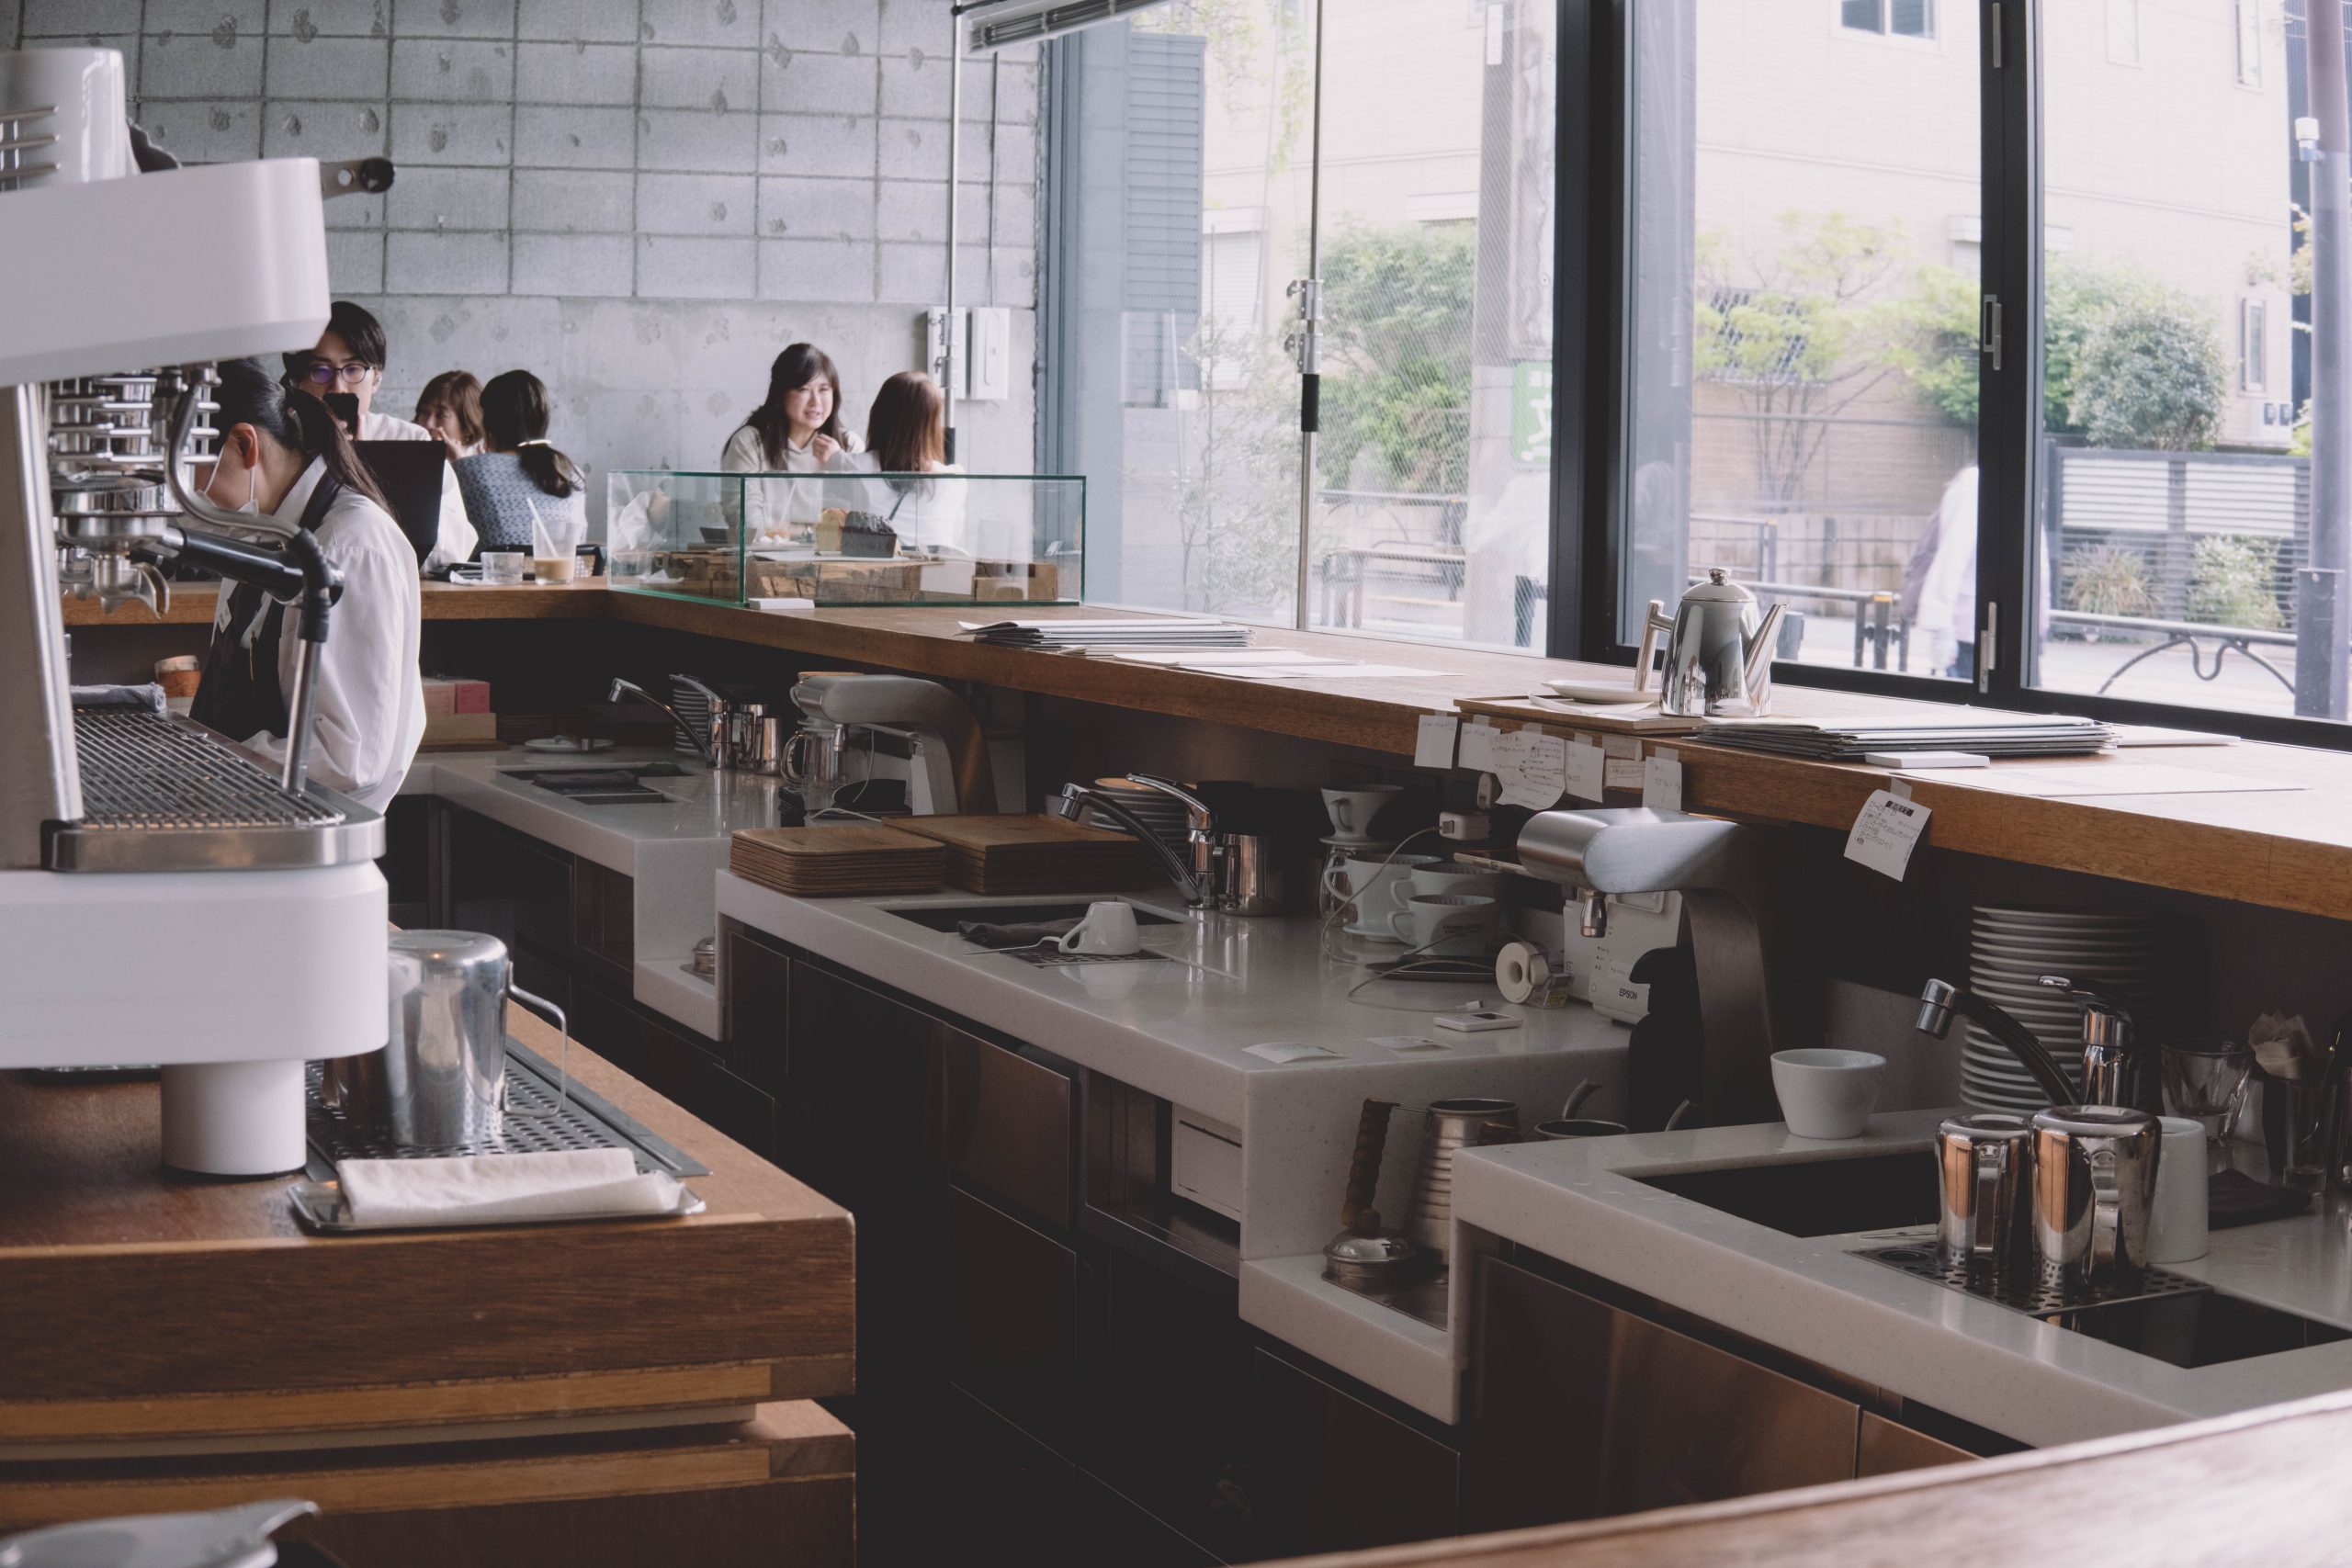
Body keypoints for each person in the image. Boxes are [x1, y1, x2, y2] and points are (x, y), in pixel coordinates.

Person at [187, 358, 424, 812]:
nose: (185, 495)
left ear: (243, 445)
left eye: (188, 474)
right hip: (243, 810)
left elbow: (347, 759)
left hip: (306, 823)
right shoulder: (264, 531)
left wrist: (200, 765)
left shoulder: (349, 544)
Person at [284, 299, 478, 570]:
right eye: (320, 370)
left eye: (353, 369)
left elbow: (455, 549)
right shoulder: (280, 441)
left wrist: (369, 468)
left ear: (376, 379)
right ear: (298, 381)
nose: (338, 387)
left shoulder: (410, 442)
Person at [720, 343, 860, 539]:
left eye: (824, 389)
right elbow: (751, 530)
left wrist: (784, 529)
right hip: (764, 565)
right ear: (780, 393)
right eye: (804, 389)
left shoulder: (848, 446)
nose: (816, 401)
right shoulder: (749, 443)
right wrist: (819, 532)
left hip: (835, 567)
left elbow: (860, 530)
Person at [452, 370, 590, 555]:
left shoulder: (469, 469)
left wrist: (455, 468)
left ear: (489, 422)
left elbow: (447, 543)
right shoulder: (572, 472)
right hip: (568, 580)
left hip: (497, 579)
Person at [828, 370, 967, 553]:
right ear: (933, 425)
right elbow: (953, 535)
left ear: (878, 415)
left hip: (880, 576)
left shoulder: (855, 467)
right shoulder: (954, 480)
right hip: (940, 577)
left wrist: (833, 455)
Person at [1912, 465, 1981, 680]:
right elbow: (1953, 552)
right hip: (1970, 630)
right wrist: (1941, 625)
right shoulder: (1975, 483)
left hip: (1979, 627)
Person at [414, 370, 485, 461]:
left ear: (467, 428)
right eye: (425, 412)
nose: (429, 424)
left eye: (441, 415)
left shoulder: (483, 465)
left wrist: (460, 464)